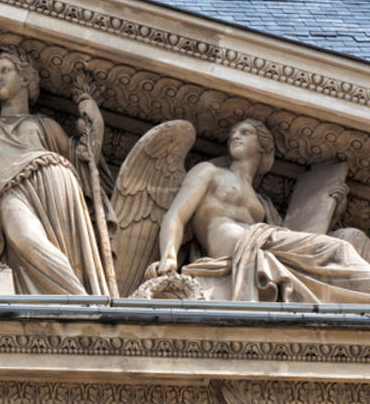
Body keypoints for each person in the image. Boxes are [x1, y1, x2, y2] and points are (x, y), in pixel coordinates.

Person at [156, 119, 370, 302]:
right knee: (338, 250)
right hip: (240, 244)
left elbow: (297, 234)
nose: (235, 137)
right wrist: (169, 256)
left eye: (245, 132)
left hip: (264, 242)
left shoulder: (262, 202)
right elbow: (176, 215)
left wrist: (330, 210)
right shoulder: (209, 172)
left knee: (349, 240)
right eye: (233, 134)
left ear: (263, 147)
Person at [0, 46, 108, 295]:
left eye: (5, 70)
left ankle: (79, 304)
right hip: (9, 191)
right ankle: (80, 301)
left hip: (54, 181)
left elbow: (85, 161)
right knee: (24, 238)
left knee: (62, 252)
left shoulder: (45, 124)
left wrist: (95, 120)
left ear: (25, 78)